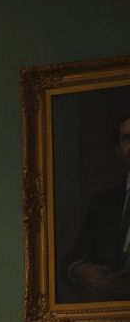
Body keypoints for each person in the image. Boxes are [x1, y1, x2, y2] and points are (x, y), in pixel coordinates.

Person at [62, 115, 130, 301]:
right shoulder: (102, 201)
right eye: (127, 139)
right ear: (118, 149)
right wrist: (80, 271)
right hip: (106, 306)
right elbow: (75, 254)